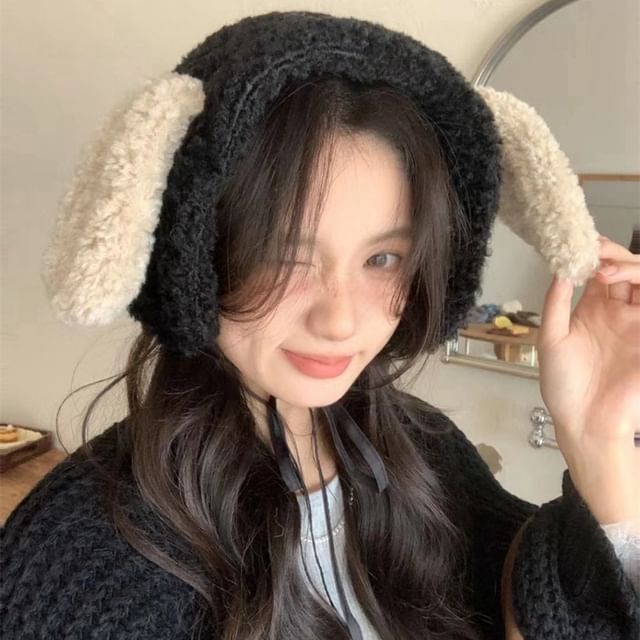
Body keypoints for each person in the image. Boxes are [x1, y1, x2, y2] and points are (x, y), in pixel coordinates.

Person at [2, 10, 639, 640]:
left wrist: (598, 443)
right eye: (283, 257)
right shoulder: (71, 560)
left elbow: (552, 606)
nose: (340, 319)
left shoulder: (427, 451)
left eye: (382, 259)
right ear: (194, 252)